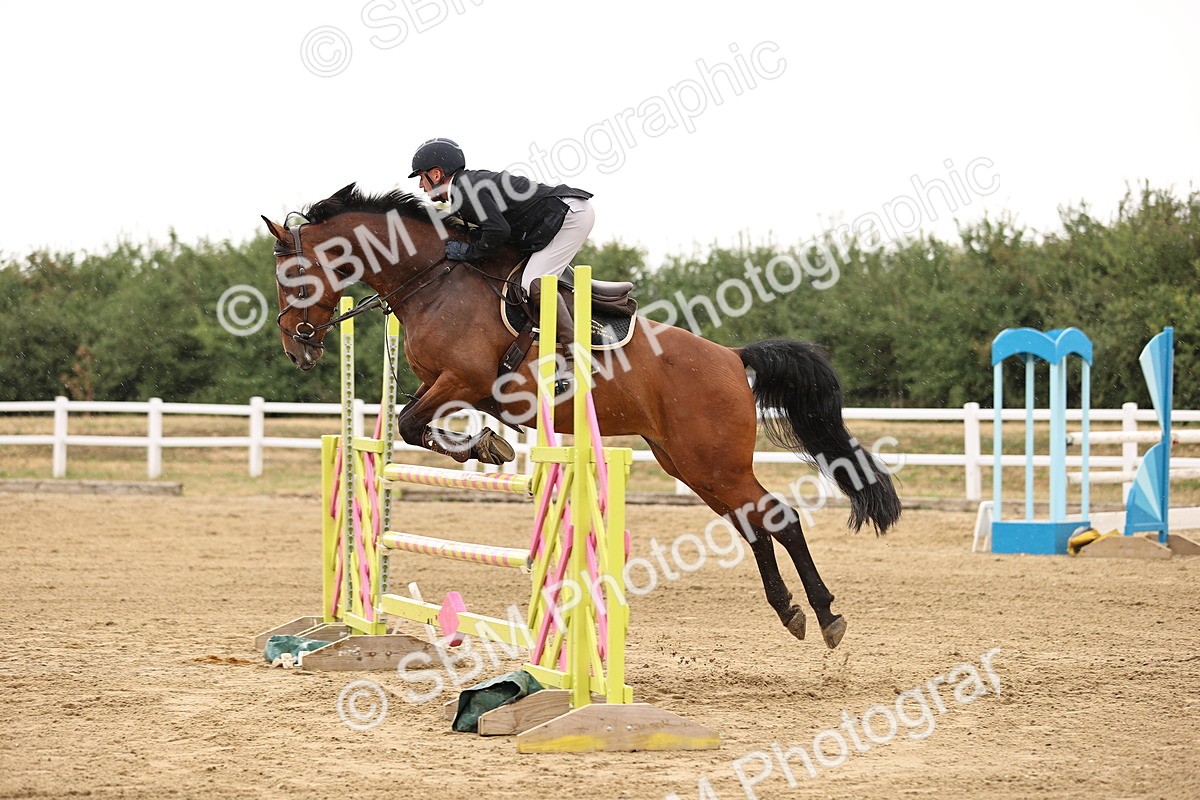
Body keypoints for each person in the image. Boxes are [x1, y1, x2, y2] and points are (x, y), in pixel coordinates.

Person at [408, 137, 593, 391]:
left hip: (570, 216)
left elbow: (497, 231)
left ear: (437, 174)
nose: (420, 184)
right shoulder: (465, 188)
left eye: (421, 176)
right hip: (560, 214)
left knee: (534, 284)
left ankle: (577, 357)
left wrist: (469, 252)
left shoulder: (465, 191)